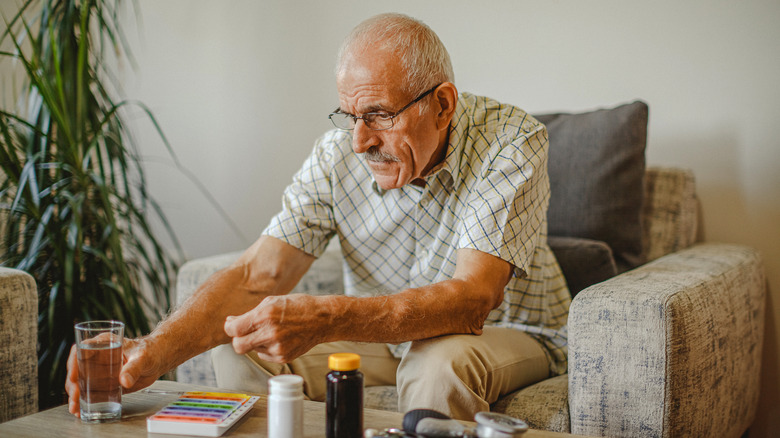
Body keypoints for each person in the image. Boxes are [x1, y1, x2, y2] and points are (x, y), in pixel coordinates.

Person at [65, 12, 570, 421]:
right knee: (240, 345)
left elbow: (472, 300)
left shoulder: (512, 141)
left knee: (438, 363)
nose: (360, 141)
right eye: (350, 117)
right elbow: (255, 275)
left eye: (379, 115)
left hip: (511, 332)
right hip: (387, 339)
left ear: (442, 104)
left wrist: (328, 315)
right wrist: (152, 351)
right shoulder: (336, 155)